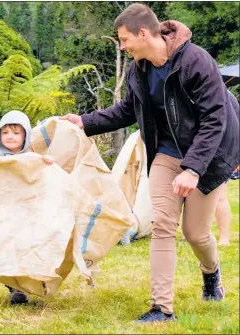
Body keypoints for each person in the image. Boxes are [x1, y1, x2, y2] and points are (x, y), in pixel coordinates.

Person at [60, 3, 239, 323]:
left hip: (209, 156)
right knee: (163, 226)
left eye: (125, 39)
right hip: (167, 153)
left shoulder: (195, 61)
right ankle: (162, 308)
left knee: (196, 234)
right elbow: (127, 111)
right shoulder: (138, 71)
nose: (123, 46)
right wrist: (84, 122)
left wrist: (194, 168)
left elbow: (216, 119)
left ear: (144, 33)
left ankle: (211, 273)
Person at [0, 110, 54, 305]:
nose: (10, 137)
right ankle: (15, 289)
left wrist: (46, 161)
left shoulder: (32, 157)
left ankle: (33, 280)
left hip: (27, 214)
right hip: (2, 213)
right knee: (4, 250)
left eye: (16, 133)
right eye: (5, 132)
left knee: (27, 247)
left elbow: (42, 171)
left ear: (25, 135)